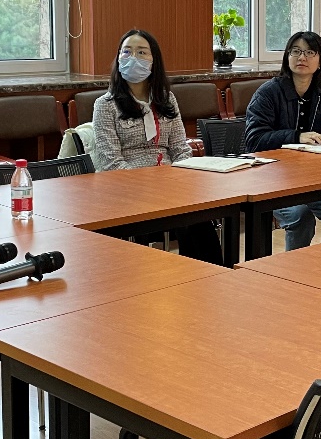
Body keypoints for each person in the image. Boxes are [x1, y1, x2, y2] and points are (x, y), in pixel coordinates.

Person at [91, 29, 223, 265]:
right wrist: (149, 186)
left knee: (198, 216)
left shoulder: (166, 99)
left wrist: (184, 178)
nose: (133, 58)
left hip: (170, 184)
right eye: (127, 52)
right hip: (127, 189)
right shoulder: (105, 105)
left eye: (142, 52)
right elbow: (111, 163)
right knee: (181, 215)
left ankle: (210, 275)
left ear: (154, 61)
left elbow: (180, 148)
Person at [244, 31, 321, 250]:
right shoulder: (269, 92)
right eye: (296, 51)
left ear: (320, 61)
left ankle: (320, 263)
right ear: (287, 57)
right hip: (271, 180)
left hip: (308, 179)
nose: (302, 57)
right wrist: (296, 137)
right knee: (301, 216)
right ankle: (294, 269)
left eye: (309, 52)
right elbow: (254, 140)